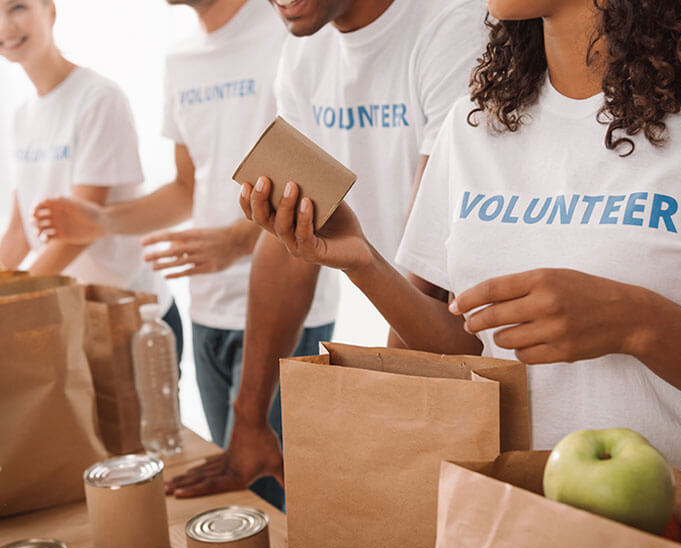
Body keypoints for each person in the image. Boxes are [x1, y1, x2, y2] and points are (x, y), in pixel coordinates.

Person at [239, 0, 681, 506]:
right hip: (512, 527)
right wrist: (364, 261)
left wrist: (638, 323)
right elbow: (471, 353)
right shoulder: (477, 123)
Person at [157, 0, 488, 499]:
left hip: (480, 352)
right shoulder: (304, 53)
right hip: (417, 341)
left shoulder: (450, 26)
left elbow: (429, 267)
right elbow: (289, 244)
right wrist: (248, 423)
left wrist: (381, 429)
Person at [32, 0, 332, 509]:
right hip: (207, 311)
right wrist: (104, 222)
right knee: (243, 498)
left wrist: (235, 241)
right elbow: (188, 188)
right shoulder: (181, 60)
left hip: (289, 308)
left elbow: (319, 185)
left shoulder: (292, 32)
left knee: (281, 502)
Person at [0, 0, 182, 355]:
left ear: (51, 11)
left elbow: (79, 231)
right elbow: (19, 233)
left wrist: (9, 303)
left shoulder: (97, 98)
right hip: (77, 314)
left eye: (17, 7)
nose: (3, 27)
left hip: (133, 314)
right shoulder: (23, 117)